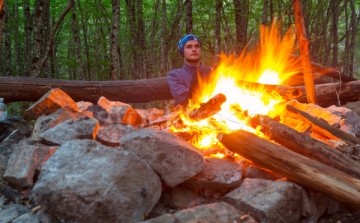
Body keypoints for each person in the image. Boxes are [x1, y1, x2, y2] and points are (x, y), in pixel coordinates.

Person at [168, 34, 212, 107]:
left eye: (197, 46)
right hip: (188, 116)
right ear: (183, 52)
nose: (194, 49)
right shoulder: (175, 75)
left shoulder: (213, 72)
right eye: (189, 47)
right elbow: (183, 98)